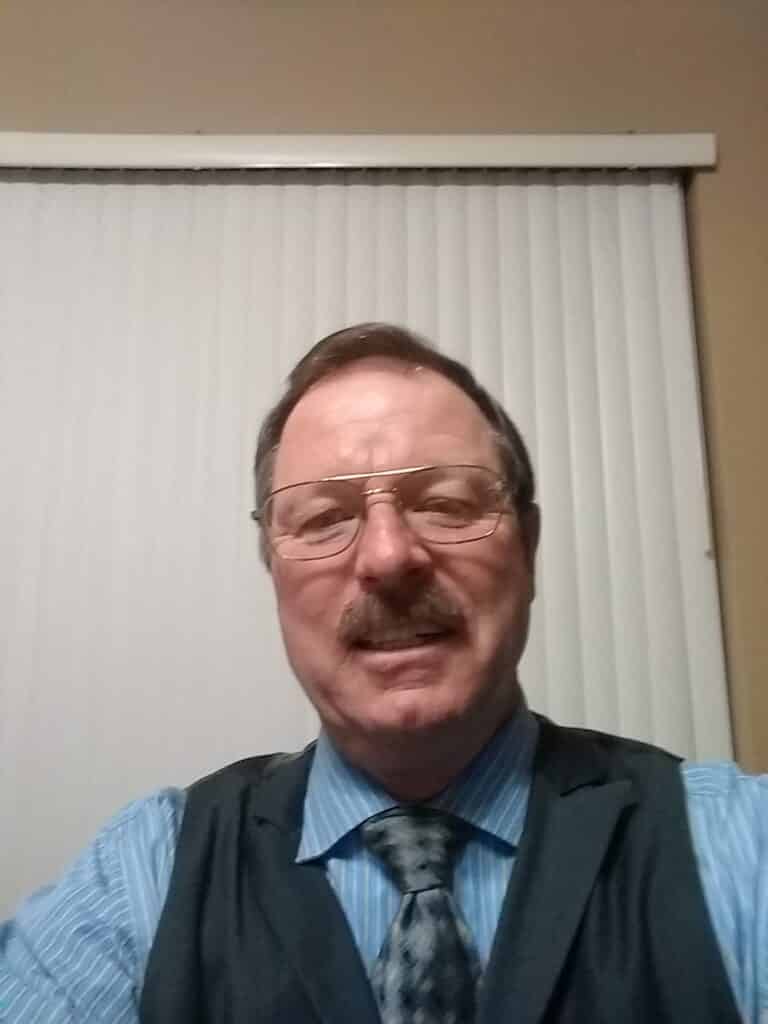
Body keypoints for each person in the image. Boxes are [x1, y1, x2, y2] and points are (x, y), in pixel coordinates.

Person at [0, 322, 765, 1023]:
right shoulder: (145, 875)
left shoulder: (733, 847)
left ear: (528, 548)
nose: (390, 556)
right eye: (324, 519)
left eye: (447, 504)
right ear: (273, 569)